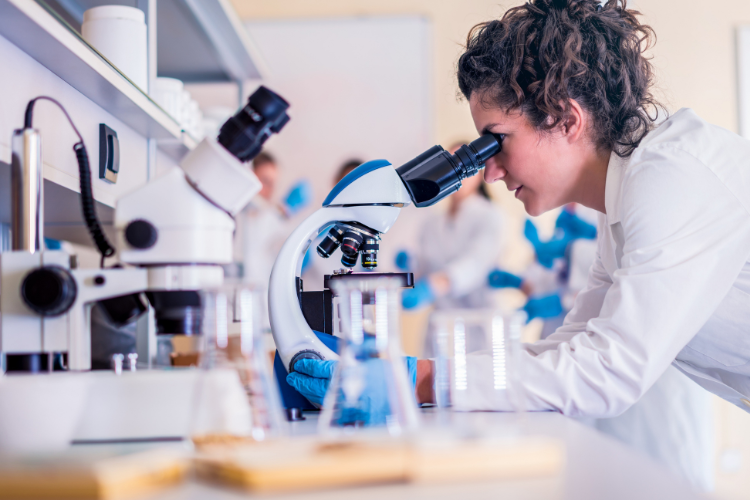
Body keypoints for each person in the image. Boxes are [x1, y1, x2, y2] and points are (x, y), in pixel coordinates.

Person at [290, 0, 749, 474]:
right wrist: (419, 372)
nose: (489, 171)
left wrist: (422, 380)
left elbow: (609, 371)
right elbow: (572, 344)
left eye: (496, 140)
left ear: (566, 119)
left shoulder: (673, 176)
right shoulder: (625, 199)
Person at [398, 142, 505, 314]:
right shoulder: (431, 223)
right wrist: (411, 264)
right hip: (441, 320)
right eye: (449, 165)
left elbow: (475, 263)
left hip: (478, 320)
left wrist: (434, 286)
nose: (456, 172)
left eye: (464, 165)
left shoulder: (489, 215)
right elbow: (426, 268)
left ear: (478, 173)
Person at [233, 152, 311, 288]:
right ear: (249, 175)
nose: (269, 190)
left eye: (273, 184)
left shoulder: (272, 219)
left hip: (261, 298)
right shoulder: (234, 214)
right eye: (265, 181)